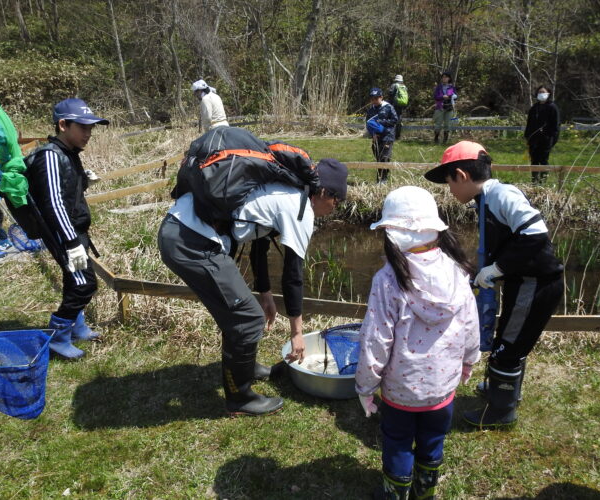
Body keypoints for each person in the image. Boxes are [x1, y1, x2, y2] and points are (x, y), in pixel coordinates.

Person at [158, 152, 348, 417]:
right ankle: (240, 398)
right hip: (191, 242)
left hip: (181, 230)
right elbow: (293, 274)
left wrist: (265, 294)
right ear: (324, 192)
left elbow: (259, 244)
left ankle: (245, 370)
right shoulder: (300, 208)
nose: (335, 207)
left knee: (240, 314)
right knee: (247, 318)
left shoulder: (283, 190)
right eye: (337, 201)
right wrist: (297, 333)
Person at [424, 141, 563, 428]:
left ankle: (501, 411)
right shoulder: (485, 199)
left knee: (508, 348)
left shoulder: (502, 195)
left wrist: (498, 268)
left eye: (449, 183)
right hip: (520, 282)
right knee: (508, 339)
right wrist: (481, 270)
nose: (450, 190)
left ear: (461, 175)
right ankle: (504, 391)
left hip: (534, 285)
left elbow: (536, 234)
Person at [355, 186, 480, 499]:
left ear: (392, 234)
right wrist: (469, 360)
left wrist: (365, 387)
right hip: (443, 387)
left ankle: (396, 493)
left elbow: (375, 340)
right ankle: (425, 492)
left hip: (401, 390)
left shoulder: (387, 279)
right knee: (433, 438)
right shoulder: (457, 271)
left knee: (397, 441)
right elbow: (470, 324)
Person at [26, 98, 108, 360]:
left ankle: (76, 327)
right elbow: (53, 204)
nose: (88, 133)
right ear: (63, 125)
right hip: (62, 234)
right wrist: (71, 242)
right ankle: (57, 337)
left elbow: (67, 191)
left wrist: (84, 181)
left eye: (91, 128)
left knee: (75, 281)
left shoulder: (69, 153)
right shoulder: (50, 155)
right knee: (84, 284)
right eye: (83, 127)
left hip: (74, 231)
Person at [524, 85, 560, 184]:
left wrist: (552, 140)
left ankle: (542, 182)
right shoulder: (534, 108)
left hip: (546, 140)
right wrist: (527, 136)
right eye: (539, 92)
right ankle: (534, 181)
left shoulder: (552, 107)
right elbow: (529, 123)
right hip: (533, 140)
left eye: (543, 92)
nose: (541, 94)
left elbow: (556, 126)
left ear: (548, 93)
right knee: (534, 161)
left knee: (543, 160)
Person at [365, 87, 398, 184]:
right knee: (378, 157)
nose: (374, 101)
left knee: (384, 157)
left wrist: (382, 122)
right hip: (376, 137)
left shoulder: (388, 107)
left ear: (381, 97)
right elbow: (368, 123)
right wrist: (373, 134)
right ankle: (381, 178)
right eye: (372, 99)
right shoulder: (371, 109)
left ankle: (383, 180)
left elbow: (395, 120)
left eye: (376, 98)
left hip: (387, 136)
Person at [433, 72, 456, 145]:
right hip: (440, 107)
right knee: (438, 124)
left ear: (449, 78)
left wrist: (452, 96)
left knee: (447, 124)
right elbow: (435, 96)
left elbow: (454, 96)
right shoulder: (439, 87)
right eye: (443, 77)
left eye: (446, 77)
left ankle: (445, 140)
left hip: (449, 107)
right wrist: (442, 97)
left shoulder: (451, 87)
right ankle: (436, 139)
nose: (444, 78)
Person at [387, 75, 408, 140]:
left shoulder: (394, 85)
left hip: (394, 105)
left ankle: (391, 135)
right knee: (399, 120)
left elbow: (390, 94)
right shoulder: (404, 86)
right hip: (401, 105)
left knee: (392, 119)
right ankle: (398, 136)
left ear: (396, 79)